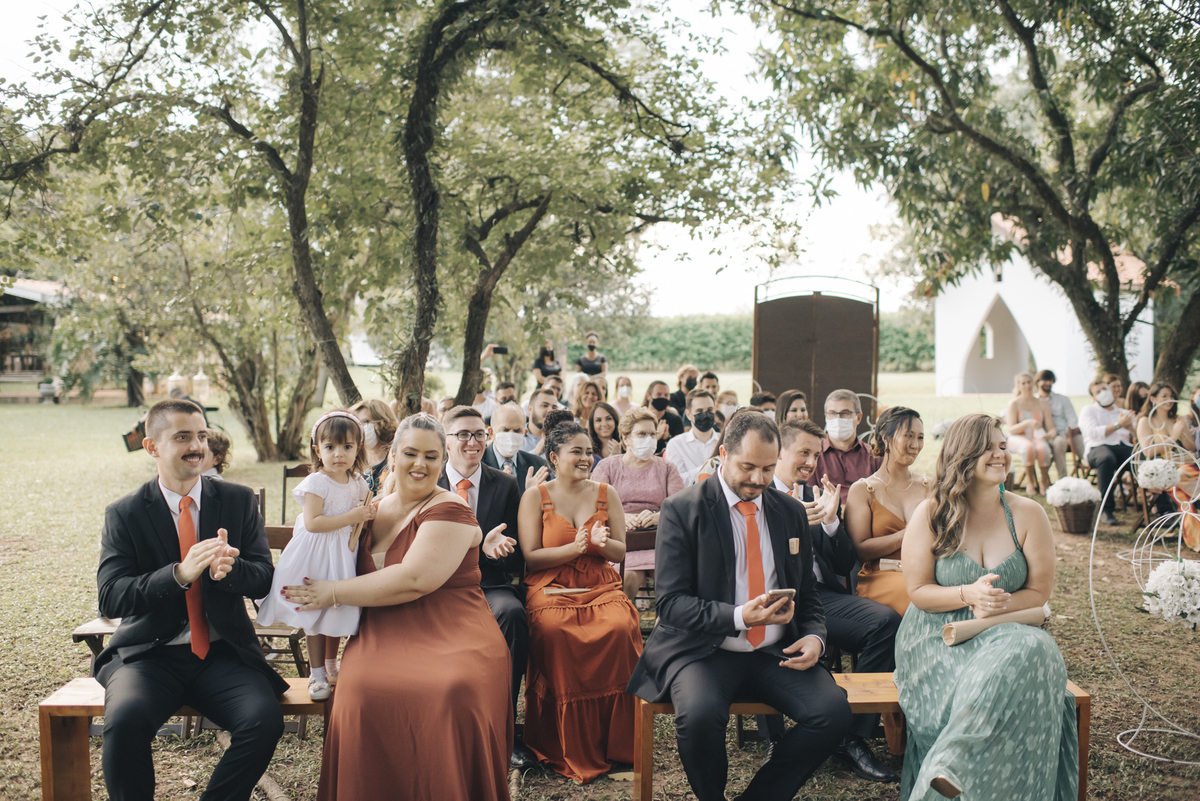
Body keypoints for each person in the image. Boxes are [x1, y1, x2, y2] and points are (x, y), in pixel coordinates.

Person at [284, 413, 513, 801]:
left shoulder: (450, 509)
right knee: (359, 693)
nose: (420, 464)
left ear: (443, 461)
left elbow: (414, 579)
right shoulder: (367, 508)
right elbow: (320, 549)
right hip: (381, 629)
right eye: (410, 453)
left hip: (451, 629)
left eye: (431, 456)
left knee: (449, 690)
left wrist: (333, 592)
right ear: (392, 456)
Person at [626, 411, 853, 801]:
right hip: (703, 651)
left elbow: (808, 593)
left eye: (767, 469)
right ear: (723, 453)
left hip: (774, 652)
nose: (758, 479)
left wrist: (815, 636)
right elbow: (670, 604)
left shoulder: (791, 512)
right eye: (748, 466)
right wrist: (738, 616)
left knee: (833, 714)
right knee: (697, 718)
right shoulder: (682, 509)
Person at [96, 399, 286, 801]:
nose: (196, 446)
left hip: (222, 654)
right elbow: (111, 598)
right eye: (182, 437)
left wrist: (230, 571)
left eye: (201, 435)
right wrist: (178, 575)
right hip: (149, 655)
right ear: (152, 447)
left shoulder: (237, 500)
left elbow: (264, 577)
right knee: (124, 720)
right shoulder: (125, 513)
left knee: (263, 719)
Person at [895, 413, 1078, 801]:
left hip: (1006, 627)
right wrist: (967, 594)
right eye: (988, 447)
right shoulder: (931, 515)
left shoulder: (1028, 514)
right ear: (964, 455)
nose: (1001, 454)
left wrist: (996, 605)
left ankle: (951, 765)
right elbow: (919, 591)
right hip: (938, 636)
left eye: (1002, 446)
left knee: (1035, 647)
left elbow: (1038, 593)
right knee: (1027, 656)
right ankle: (951, 768)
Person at [761, 419, 900, 783]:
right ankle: (776, 738)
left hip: (819, 596)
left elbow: (842, 563)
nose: (810, 462)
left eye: (814, 453)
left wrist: (831, 523)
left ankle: (852, 736)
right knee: (766, 633)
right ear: (779, 453)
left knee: (884, 621)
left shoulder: (813, 496)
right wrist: (790, 526)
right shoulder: (758, 494)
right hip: (770, 598)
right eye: (802, 453)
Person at [517, 419, 642, 782]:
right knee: (555, 630)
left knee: (620, 626)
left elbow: (622, 549)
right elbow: (532, 555)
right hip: (551, 585)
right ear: (554, 457)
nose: (586, 458)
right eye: (577, 452)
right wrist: (575, 547)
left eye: (589, 451)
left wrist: (601, 545)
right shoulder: (535, 496)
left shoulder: (606, 493)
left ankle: (616, 744)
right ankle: (565, 743)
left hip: (600, 583)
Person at [436, 406, 538, 769]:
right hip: (435, 586)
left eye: (479, 434)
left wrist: (497, 552)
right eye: (463, 434)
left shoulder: (506, 484)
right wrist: (477, 545)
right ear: (446, 441)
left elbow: (516, 558)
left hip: (486, 584)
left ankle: (504, 731)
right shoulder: (428, 481)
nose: (472, 442)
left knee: (512, 614)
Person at [257, 411, 374, 700]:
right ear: (317, 449)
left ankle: (333, 666)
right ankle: (316, 673)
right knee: (313, 612)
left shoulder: (358, 481)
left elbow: (361, 514)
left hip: (342, 555)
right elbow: (313, 523)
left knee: (335, 608)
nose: (338, 454)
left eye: (347, 447)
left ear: (358, 447)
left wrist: (367, 514)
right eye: (330, 447)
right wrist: (351, 516)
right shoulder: (317, 482)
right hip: (315, 554)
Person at [594, 407, 685, 601]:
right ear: (625, 438)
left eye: (652, 434)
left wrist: (658, 516)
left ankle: (664, 627)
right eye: (642, 434)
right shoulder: (607, 466)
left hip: (658, 540)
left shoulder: (667, 467)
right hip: (621, 541)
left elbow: (680, 507)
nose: (649, 438)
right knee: (628, 579)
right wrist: (620, 518)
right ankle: (626, 626)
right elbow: (595, 507)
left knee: (669, 582)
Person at [846, 406, 930, 616]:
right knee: (918, 601)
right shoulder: (863, 490)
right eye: (908, 436)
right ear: (885, 437)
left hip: (927, 573)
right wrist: (908, 534)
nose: (915, 445)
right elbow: (861, 550)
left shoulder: (931, 486)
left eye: (920, 437)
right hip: (882, 576)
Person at [1136, 382, 1199, 550]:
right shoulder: (1145, 421)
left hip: (1182, 470)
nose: (1169, 400)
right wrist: (1173, 436)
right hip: (1159, 472)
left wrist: (1183, 431)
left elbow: (1191, 448)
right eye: (1164, 396)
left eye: (1172, 396)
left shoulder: (1176, 420)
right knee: (1181, 476)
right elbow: (1148, 452)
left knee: (1182, 481)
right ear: (1153, 399)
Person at [1080, 379, 1135, 526]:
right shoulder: (1089, 410)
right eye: (1098, 391)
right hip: (1098, 448)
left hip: (1123, 446)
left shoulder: (1123, 412)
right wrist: (1118, 425)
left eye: (1105, 388)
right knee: (1107, 459)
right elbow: (1092, 433)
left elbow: (1135, 435)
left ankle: (1162, 507)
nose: (1103, 393)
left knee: (1140, 457)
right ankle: (1106, 509)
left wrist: (1131, 428)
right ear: (1094, 397)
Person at [813, 389, 881, 504]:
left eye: (845, 413)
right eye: (832, 413)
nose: (838, 419)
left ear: (858, 418)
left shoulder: (873, 457)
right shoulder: (813, 455)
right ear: (826, 417)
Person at [1005, 372, 1057, 495]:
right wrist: (1027, 422)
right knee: (1028, 448)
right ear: (1018, 386)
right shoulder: (1014, 403)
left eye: (1029, 382)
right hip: (1018, 437)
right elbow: (1011, 429)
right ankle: (1030, 482)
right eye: (1023, 383)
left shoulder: (1042, 403)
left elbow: (1052, 428)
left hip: (1037, 437)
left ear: (1033, 384)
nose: (1027, 385)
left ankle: (1044, 481)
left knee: (1043, 448)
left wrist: (1049, 434)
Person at [484, 402, 549, 493]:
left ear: (524, 433)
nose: (511, 435)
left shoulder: (538, 466)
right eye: (505, 430)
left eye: (517, 431)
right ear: (491, 433)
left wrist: (531, 495)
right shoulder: (477, 464)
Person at [1035, 370, 1085, 482]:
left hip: (1067, 434)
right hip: (1045, 437)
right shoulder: (1034, 401)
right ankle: (1063, 480)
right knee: (1059, 442)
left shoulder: (1062, 399)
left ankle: (1094, 470)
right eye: (1045, 380)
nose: (1048, 383)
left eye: (1050, 380)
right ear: (1038, 382)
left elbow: (1072, 420)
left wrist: (1066, 434)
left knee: (1083, 443)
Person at [664, 389, 720, 485]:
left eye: (710, 410)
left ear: (715, 411)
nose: (705, 415)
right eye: (699, 411)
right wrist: (710, 468)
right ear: (689, 415)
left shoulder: (725, 441)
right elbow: (677, 482)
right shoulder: (676, 444)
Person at [350, 399, 398, 495]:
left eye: (365, 422)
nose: (360, 428)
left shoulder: (396, 458)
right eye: (356, 423)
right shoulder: (353, 460)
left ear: (383, 422)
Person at [645, 379, 685, 454]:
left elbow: (680, 448)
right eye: (659, 394)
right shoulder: (639, 420)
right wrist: (656, 437)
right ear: (648, 396)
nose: (663, 397)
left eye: (666, 395)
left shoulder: (676, 420)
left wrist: (668, 438)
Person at [588, 400, 623, 468]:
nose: (604, 424)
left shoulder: (626, 446)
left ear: (615, 421)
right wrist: (610, 459)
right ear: (592, 424)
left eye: (608, 419)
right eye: (598, 420)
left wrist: (619, 458)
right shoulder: (587, 449)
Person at [524, 388, 558, 454]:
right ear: (530, 409)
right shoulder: (517, 437)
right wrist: (536, 451)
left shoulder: (561, 439)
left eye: (554, 408)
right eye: (545, 405)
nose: (550, 411)